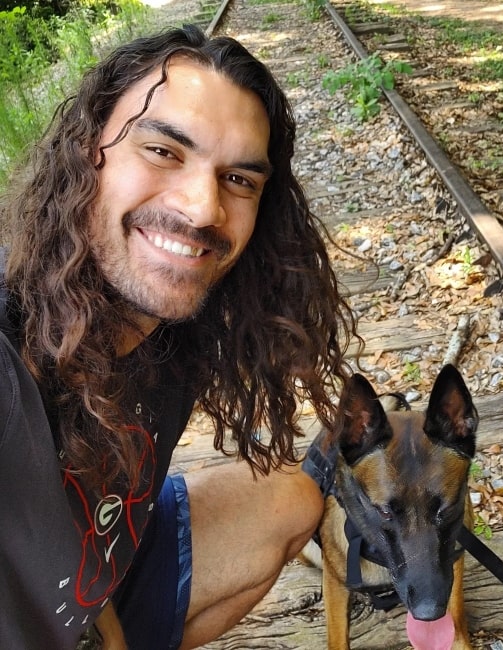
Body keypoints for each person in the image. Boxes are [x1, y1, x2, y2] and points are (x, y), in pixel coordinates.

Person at [0, 24, 357, 649]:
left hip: (81, 596)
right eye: (163, 151)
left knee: (293, 499)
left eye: (238, 180)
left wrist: (101, 626)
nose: (201, 209)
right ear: (89, 150)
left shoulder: (174, 333)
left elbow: (82, 532)